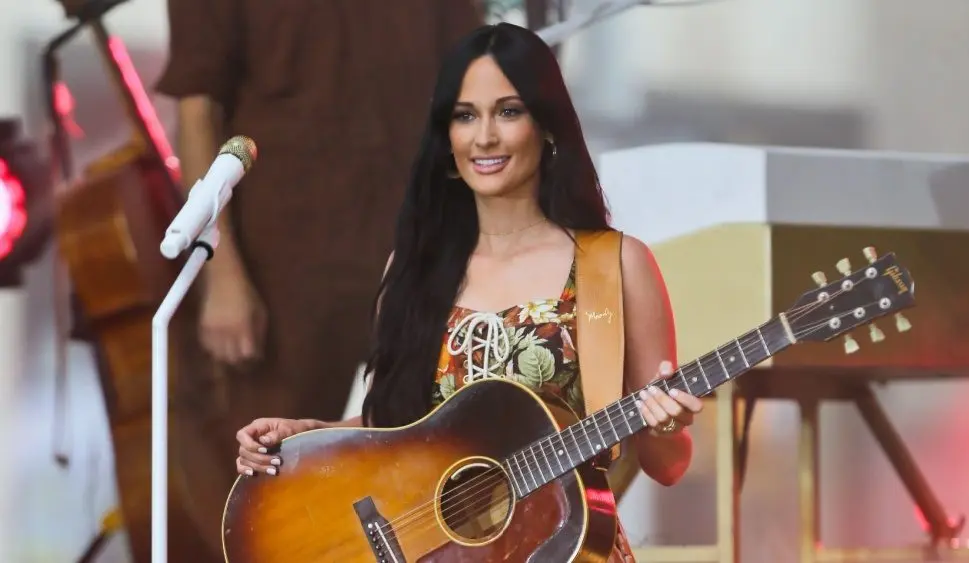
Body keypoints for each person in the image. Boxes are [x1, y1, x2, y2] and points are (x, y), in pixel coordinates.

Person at [233, 22, 704, 562]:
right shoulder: (415, 271)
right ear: (447, 138)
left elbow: (668, 466)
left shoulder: (615, 264)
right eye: (465, 115)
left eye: (508, 111)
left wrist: (666, 425)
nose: (484, 137)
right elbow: (398, 427)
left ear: (547, 126)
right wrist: (306, 438)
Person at [153, 0, 483, 556]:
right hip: (283, 270)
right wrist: (223, 274)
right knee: (263, 486)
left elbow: (471, 86)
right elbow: (197, 108)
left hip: (415, 254)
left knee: (435, 469)